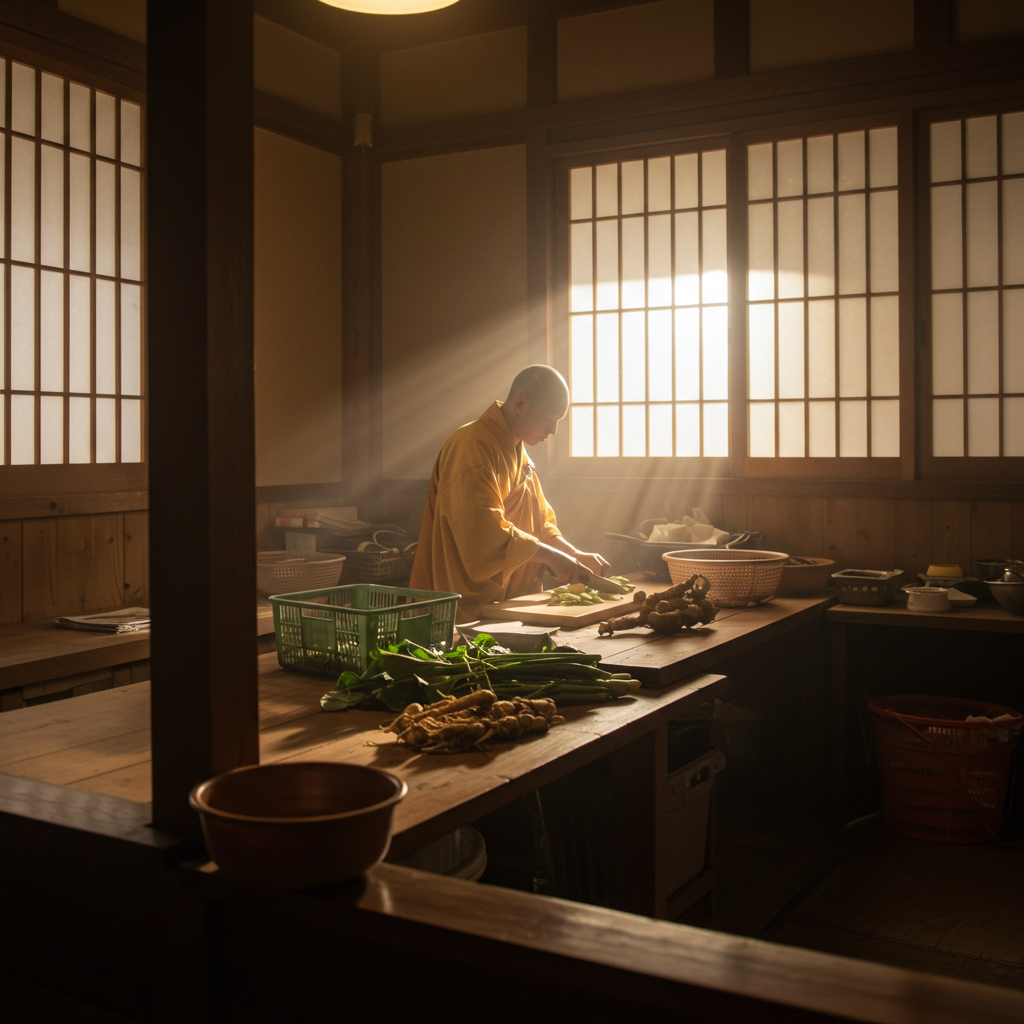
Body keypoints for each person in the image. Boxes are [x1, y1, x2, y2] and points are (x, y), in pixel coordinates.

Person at [410, 365, 611, 621]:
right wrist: (553, 558)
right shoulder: (470, 446)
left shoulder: (522, 458)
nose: (553, 431)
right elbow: (482, 535)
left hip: (509, 607)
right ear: (521, 404)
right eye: (550, 419)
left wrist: (574, 555)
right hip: (460, 611)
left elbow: (540, 529)